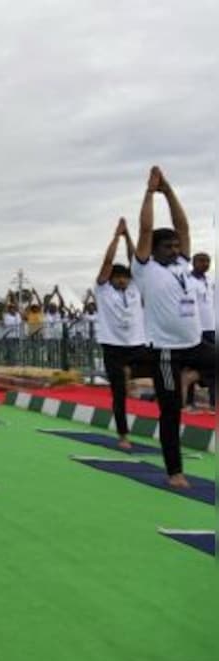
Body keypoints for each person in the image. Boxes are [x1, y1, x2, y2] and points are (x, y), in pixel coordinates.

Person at [132, 166, 214, 488]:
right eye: (169, 247)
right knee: (171, 411)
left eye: (178, 247)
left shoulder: (182, 264)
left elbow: (183, 225)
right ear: (153, 250)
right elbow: (145, 228)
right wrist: (150, 193)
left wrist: (168, 190)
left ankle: (192, 376)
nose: (176, 251)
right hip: (166, 351)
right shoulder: (144, 269)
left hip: (194, 344)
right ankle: (174, 472)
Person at [93, 218, 150, 449]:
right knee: (118, 394)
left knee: (166, 368)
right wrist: (116, 237)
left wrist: (128, 238)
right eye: (118, 277)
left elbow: (136, 262)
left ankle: (132, 377)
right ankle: (123, 435)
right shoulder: (103, 290)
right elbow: (108, 262)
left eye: (125, 277)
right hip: (113, 347)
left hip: (138, 346)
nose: (122, 280)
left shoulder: (135, 288)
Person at [185, 252, 215, 410]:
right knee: (190, 365)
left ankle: (214, 403)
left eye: (208, 261)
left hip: (211, 329)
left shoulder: (210, 281)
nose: (205, 264)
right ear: (193, 262)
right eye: (202, 261)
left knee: (214, 365)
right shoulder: (187, 281)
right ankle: (189, 402)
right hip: (195, 330)